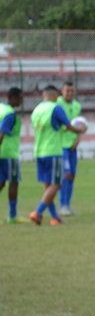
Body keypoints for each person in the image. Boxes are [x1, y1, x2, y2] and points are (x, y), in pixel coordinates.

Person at [29, 85, 86, 226]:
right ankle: (38, 212)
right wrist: (79, 130)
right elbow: (69, 125)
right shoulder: (55, 108)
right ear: (55, 95)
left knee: (47, 185)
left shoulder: (36, 110)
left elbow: (57, 128)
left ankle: (55, 218)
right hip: (53, 151)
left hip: (38, 151)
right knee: (57, 183)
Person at [57, 80, 82, 216]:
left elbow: (79, 124)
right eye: (68, 91)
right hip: (61, 145)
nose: (70, 93)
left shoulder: (77, 106)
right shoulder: (57, 104)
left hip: (73, 145)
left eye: (72, 91)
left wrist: (78, 138)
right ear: (62, 91)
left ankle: (67, 205)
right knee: (65, 175)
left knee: (72, 176)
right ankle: (63, 206)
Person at [0, 87, 24, 223]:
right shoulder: (9, 114)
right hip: (9, 154)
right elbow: (1, 134)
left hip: (2, 153)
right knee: (13, 183)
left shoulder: (1, 109)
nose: (22, 101)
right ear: (13, 98)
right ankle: (13, 216)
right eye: (20, 98)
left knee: (1, 183)